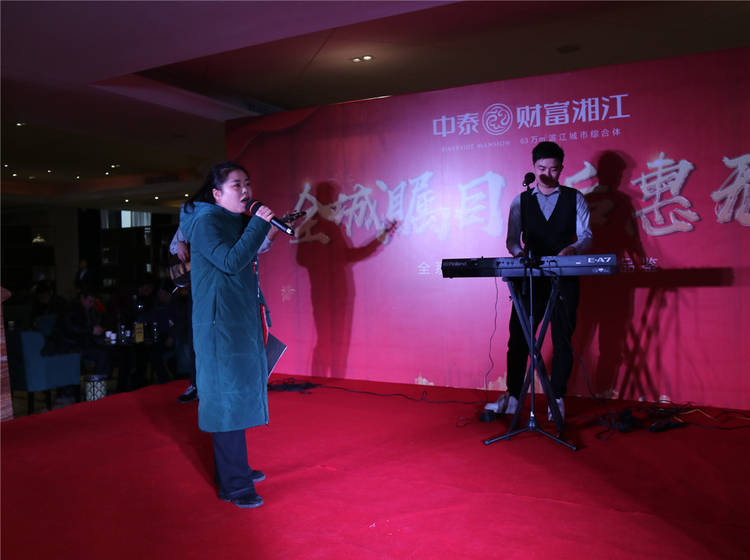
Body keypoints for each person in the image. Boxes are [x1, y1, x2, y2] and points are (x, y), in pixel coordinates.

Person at [179, 161, 276, 509]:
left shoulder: (229, 220)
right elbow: (231, 262)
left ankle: (235, 471)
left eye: (247, 183)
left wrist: (260, 229)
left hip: (235, 323)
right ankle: (234, 486)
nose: (245, 190)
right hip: (219, 326)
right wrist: (259, 224)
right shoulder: (206, 222)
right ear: (217, 194)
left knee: (237, 396)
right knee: (225, 400)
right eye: (237, 185)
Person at [486, 141, 592, 422]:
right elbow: (512, 239)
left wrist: (573, 249)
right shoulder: (521, 200)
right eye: (541, 168)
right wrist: (520, 254)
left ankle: (557, 397)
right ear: (533, 168)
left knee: (562, 338)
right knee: (519, 337)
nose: (547, 174)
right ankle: (513, 396)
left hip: (564, 276)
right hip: (529, 277)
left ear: (561, 169)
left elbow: (586, 236)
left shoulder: (575, 198)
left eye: (553, 169)